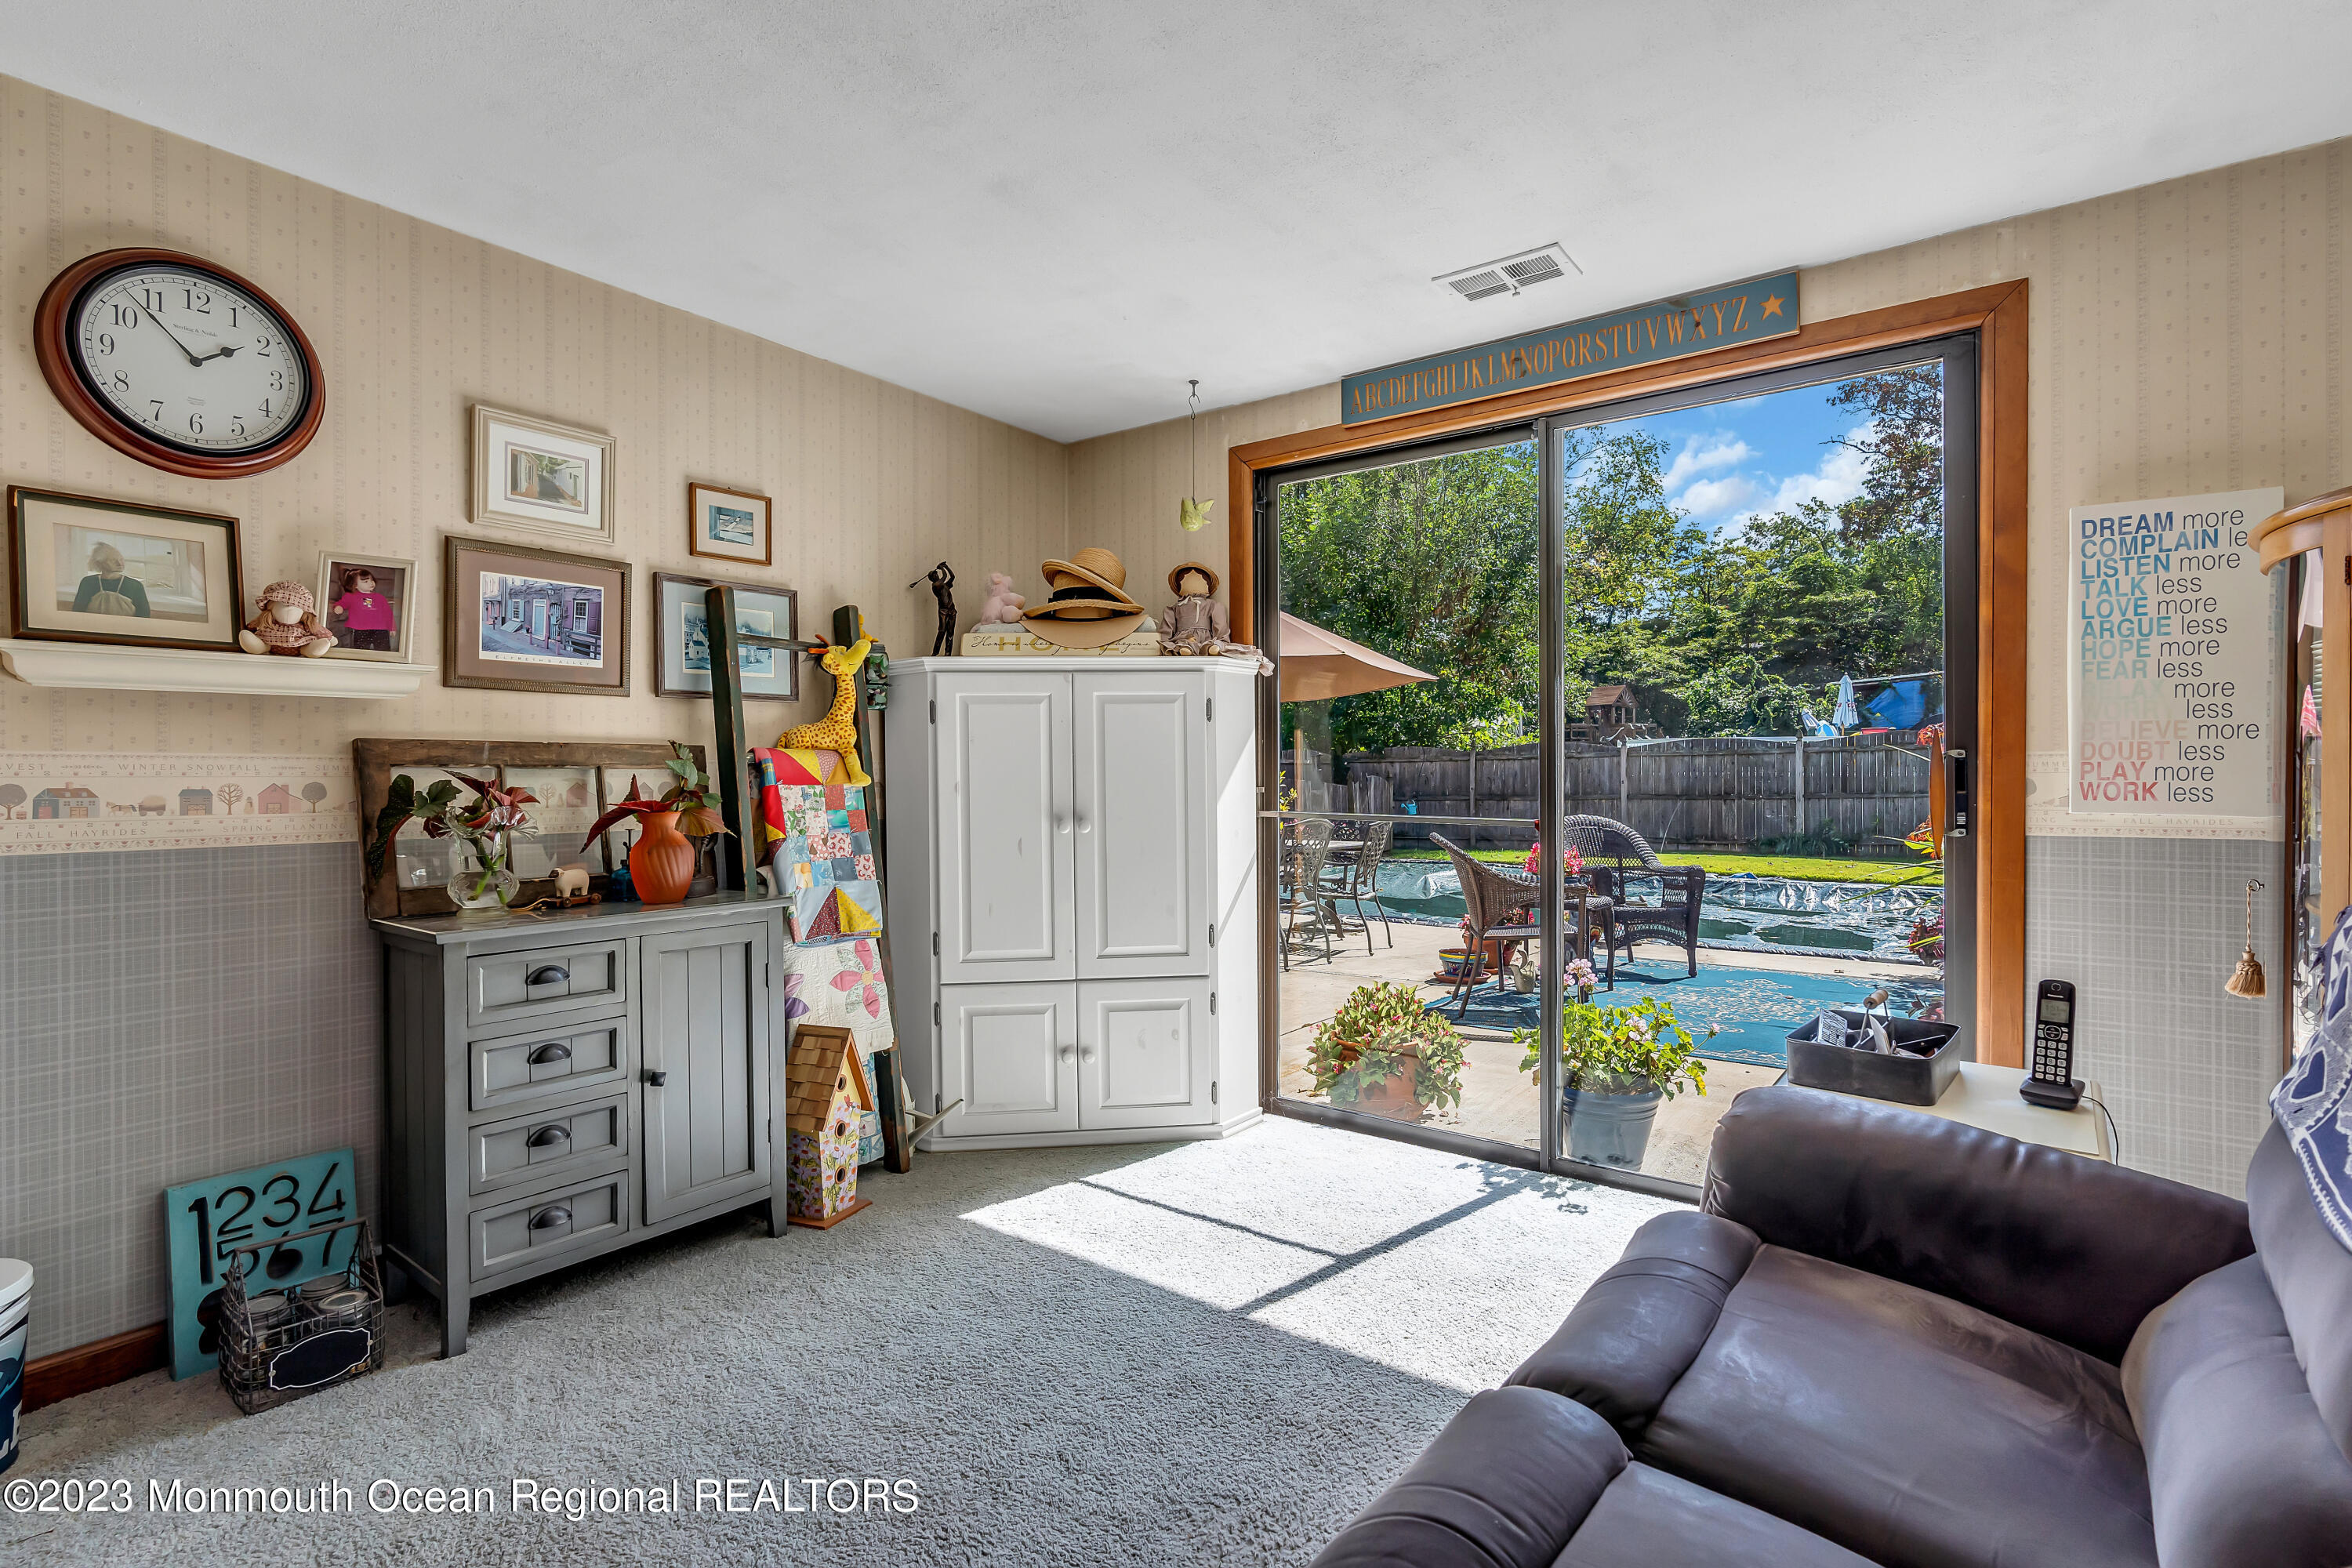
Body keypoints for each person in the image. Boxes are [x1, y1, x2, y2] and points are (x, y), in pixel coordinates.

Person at [328, 567, 398, 652]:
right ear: (355, 585)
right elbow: (341, 603)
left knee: (384, 650)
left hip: (381, 630)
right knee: (360, 651)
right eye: (366, 581)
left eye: (372, 580)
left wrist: (392, 627)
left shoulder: (380, 598)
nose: (371, 583)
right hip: (360, 631)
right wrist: (339, 607)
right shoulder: (351, 597)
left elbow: (388, 613)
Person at [71, 543, 150, 617]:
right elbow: (78, 613)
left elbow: (144, 618)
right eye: (113, 560)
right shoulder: (88, 583)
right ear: (100, 563)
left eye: (121, 559)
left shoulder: (135, 586)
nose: (120, 563)